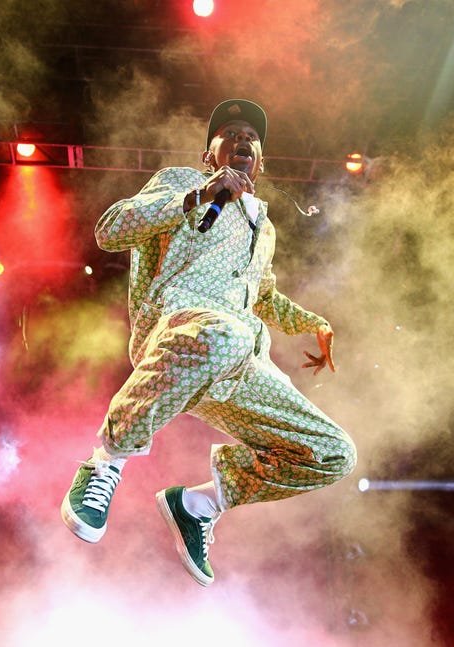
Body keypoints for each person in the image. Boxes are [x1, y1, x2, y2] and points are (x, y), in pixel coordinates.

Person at [60, 98, 356, 586]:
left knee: (333, 452)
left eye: (251, 137)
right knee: (225, 334)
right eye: (231, 134)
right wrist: (200, 194)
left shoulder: (264, 227)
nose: (243, 140)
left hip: (239, 357)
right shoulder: (181, 183)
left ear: (261, 162)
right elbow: (111, 230)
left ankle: (199, 505)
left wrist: (314, 323)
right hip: (181, 331)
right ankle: (105, 462)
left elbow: (262, 296)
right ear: (208, 155)